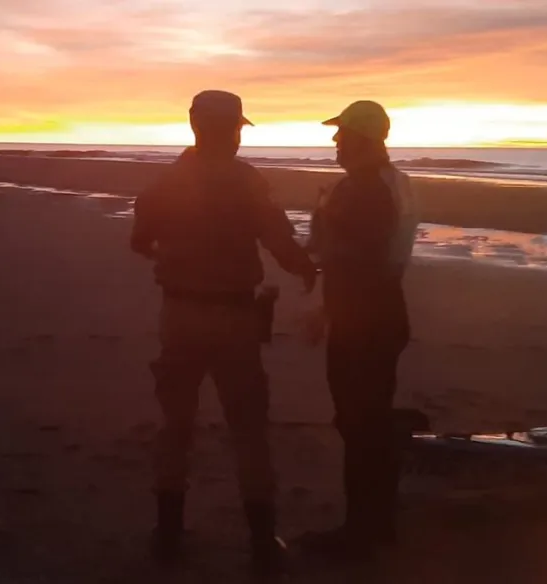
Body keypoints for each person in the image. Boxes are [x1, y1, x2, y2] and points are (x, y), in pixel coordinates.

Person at [131, 90, 317, 575]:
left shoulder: (168, 180)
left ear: (194, 125)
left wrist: (175, 262)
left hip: (179, 314)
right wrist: (307, 268)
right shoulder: (246, 181)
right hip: (234, 319)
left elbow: (139, 240)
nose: (237, 137)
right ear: (230, 130)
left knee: (176, 426)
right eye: (237, 128)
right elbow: (278, 238)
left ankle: (167, 534)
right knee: (249, 430)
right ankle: (260, 540)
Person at [297, 100, 420, 558]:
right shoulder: (393, 183)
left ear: (362, 139)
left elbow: (352, 261)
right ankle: (377, 521)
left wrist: (324, 309)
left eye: (341, 134)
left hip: (363, 318)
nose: (334, 141)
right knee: (367, 420)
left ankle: (362, 531)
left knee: (358, 422)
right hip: (382, 312)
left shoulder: (365, 189)